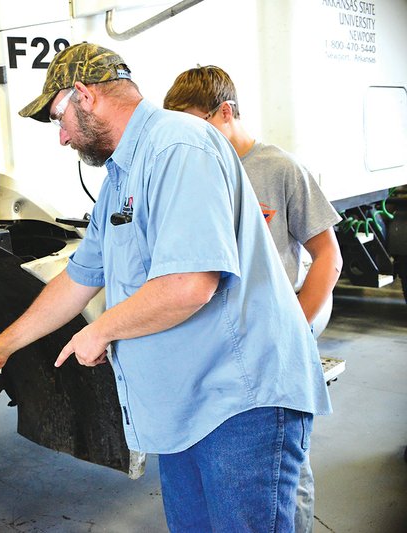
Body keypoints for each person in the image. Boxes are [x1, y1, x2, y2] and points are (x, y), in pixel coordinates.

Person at [0, 43, 332, 532]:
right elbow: (78, 278)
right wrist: (1, 347)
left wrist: (101, 331)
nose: (63, 138)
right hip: (186, 410)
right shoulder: (120, 177)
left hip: (241, 405)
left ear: (85, 96)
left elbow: (191, 283)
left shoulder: (179, 145)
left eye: (58, 118)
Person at [163, 65, 343, 533]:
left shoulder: (279, 168)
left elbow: (328, 256)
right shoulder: (193, 170)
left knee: (284, 476)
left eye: (197, 126)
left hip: (273, 351)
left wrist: (298, 324)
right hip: (219, 354)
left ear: (227, 112)